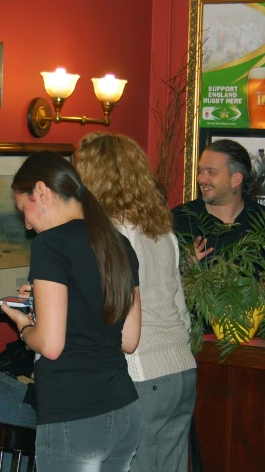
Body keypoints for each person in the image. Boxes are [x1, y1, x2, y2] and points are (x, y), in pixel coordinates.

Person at [1, 150, 142, 471]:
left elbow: (51, 345)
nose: (26, 222)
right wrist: (44, 306)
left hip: (75, 414)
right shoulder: (118, 243)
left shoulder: (50, 245)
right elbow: (129, 339)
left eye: (24, 209)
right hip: (123, 409)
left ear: (41, 192)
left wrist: (24, 326)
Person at [75, 132, 197, 472]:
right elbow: (181, 310)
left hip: (142, 373)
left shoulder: (110, 235)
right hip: (181, 368)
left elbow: (110, 316)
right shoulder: (161, 232)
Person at [173, 139, 265, 276]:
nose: (201, 179)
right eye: (201, 171)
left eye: (211, 172)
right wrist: (183, 269)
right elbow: (158, 282)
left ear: (235, 179)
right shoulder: (180, 219)